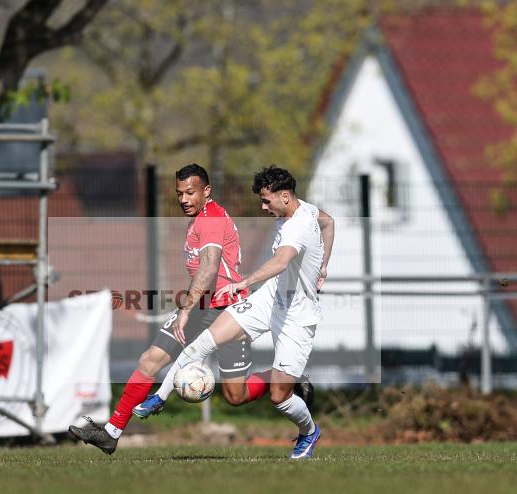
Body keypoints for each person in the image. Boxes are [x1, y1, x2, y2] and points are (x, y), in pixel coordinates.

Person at [70, 163, 273, 454]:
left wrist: (186, 310)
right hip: (203, 306)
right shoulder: (198, 219)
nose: (184, 199)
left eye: (190, 193)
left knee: (235, 395)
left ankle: (284, 377)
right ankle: (111, 432)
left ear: (207, 191)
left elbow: (210, 266)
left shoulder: (211, 219)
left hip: (228, 311)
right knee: (150, 360)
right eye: (179, 194)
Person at [159, 165, 334, 459]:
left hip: (297, 315)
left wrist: (244, 282)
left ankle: (309, 432)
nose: (263, 207)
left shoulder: (297, 226)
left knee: (280, 397)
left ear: (286, 196)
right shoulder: (305, 209)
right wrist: (324, 264)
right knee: (207, 339)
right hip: (270, 298)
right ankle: (159, 397)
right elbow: (329, 222)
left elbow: (280, 262)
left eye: (267, 201)